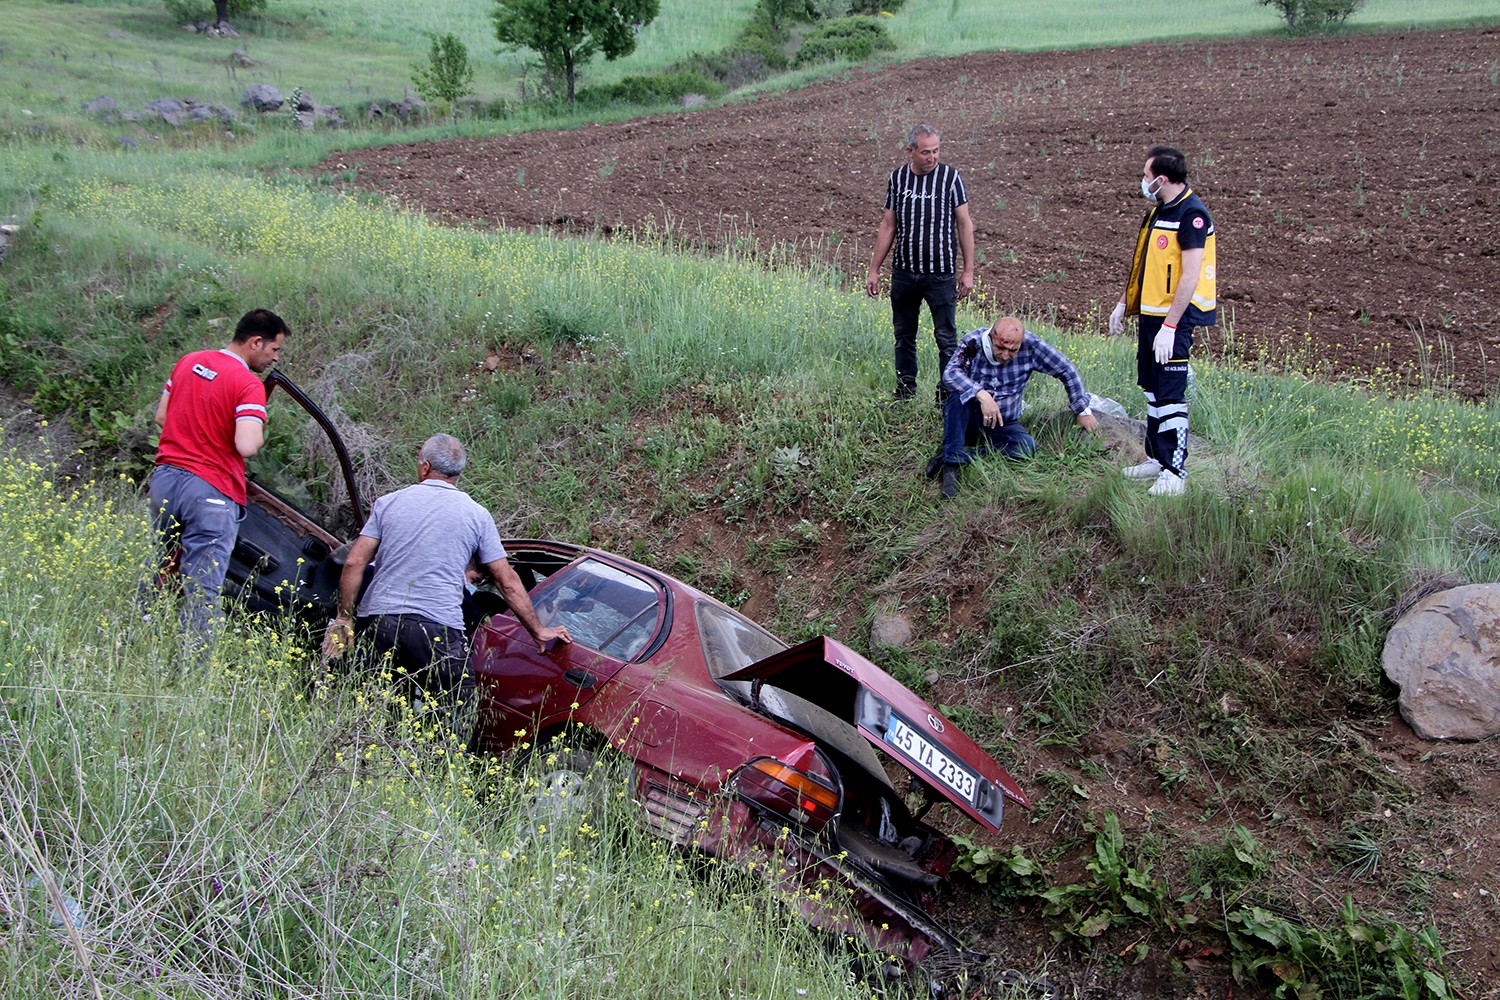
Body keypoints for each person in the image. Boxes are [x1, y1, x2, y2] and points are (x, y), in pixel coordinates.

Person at [323, 434, 570, 745]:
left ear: (425, 467)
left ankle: (357, 762)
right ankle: (433, 774)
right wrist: (538, 631)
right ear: (457, 473)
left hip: (380, 621)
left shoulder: (390, 503)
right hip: (438, 628)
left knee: (366, 705)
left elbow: (354, 563)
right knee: (455, 712)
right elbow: (507, 581)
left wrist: (344, 618)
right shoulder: (477, 516)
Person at [145, 308, 289, 649]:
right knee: (203, 588)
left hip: (165, 479)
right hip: (210, 490)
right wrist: (258, 430)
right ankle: (193, 671)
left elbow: (162, 416)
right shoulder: (246, 384)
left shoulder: (188, 361)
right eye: (274, 349)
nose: (275, 358)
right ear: (256, 342)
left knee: (160, 565)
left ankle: (140, 636)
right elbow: (247, 444)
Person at [1107, 145, 1218, 497]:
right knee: (1153, 391)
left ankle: (1176, 470)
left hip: (1175, 321)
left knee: (1171, 394)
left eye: (1145, 176)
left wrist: (1171, 325)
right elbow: (1145, 265)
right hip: (1152, 316)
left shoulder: (1192, 215)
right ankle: (1156, 457)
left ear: (1161, 179)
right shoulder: (1158, 212)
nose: (1143, 182)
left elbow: (1189, 276)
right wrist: (1124, 303)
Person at [928, 317, 1099, 500]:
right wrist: (981, 394)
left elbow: (1067, 369)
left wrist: (1081, 410)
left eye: (1012, 350)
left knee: (1026, 447)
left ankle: (962, 456)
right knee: (957, 397)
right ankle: (951, 467)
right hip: (969, 417)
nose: (1005, 355)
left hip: (1003, 421)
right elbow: (950, 373)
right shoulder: (973, 341)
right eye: (1000, 348)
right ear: (992, 336)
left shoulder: (1032, 346)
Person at [866, 123, 976, 404]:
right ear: (911, 151)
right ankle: (904, 393)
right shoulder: (898, 178)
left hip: (939, 275)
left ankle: (947, 399)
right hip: (904, 272)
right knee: (903, 336)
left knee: (947, 340)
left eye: (936, 151)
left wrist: (968, 271)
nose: (932, 157)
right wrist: (874, 268)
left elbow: (964, 225)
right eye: (926, 152)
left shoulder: (951, 178)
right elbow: (888, 225)